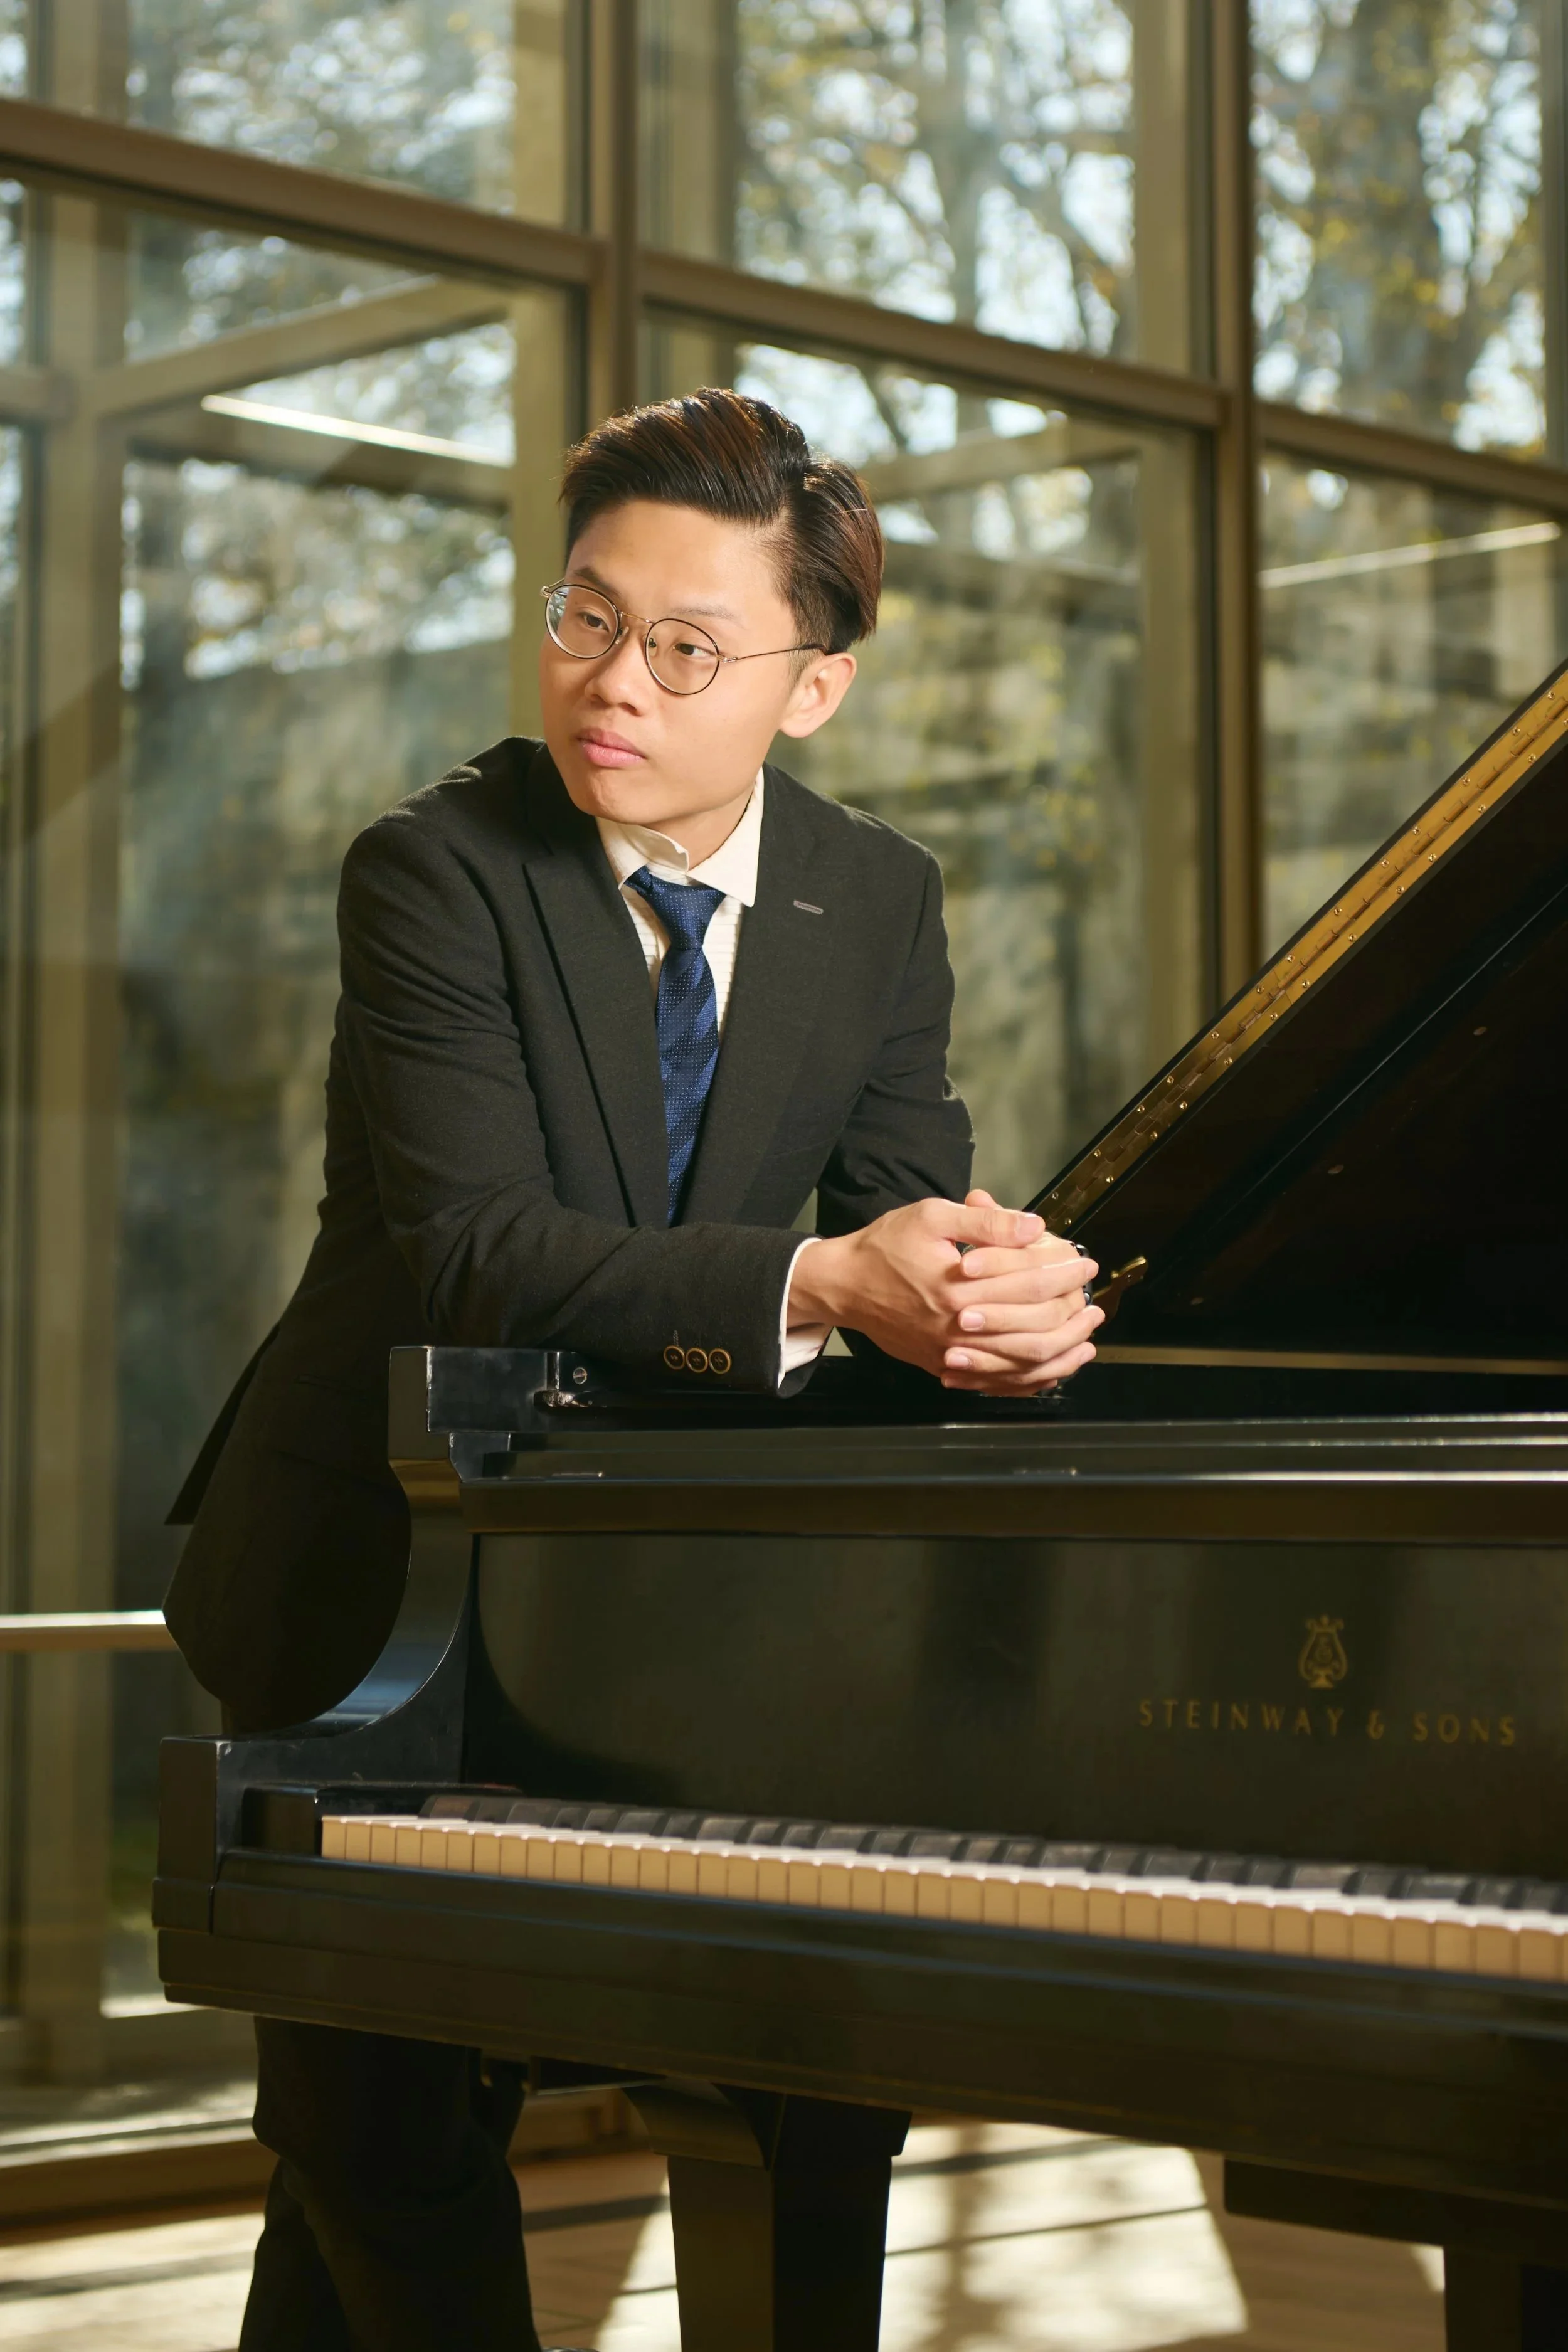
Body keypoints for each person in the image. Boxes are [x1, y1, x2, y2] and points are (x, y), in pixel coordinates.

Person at [164, 387, 1104, 2352]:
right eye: (587, 617)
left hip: (672, 1603)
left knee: (780, 2103)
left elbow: (895, 1212)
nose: (617, 683)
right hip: (369, 1574)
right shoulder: (436, 868)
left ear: (811, 688)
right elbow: (481, 1250)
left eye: (687, 647)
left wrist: (992, 1288)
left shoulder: (877, 900)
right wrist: (841, 1280)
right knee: (379, 2132)